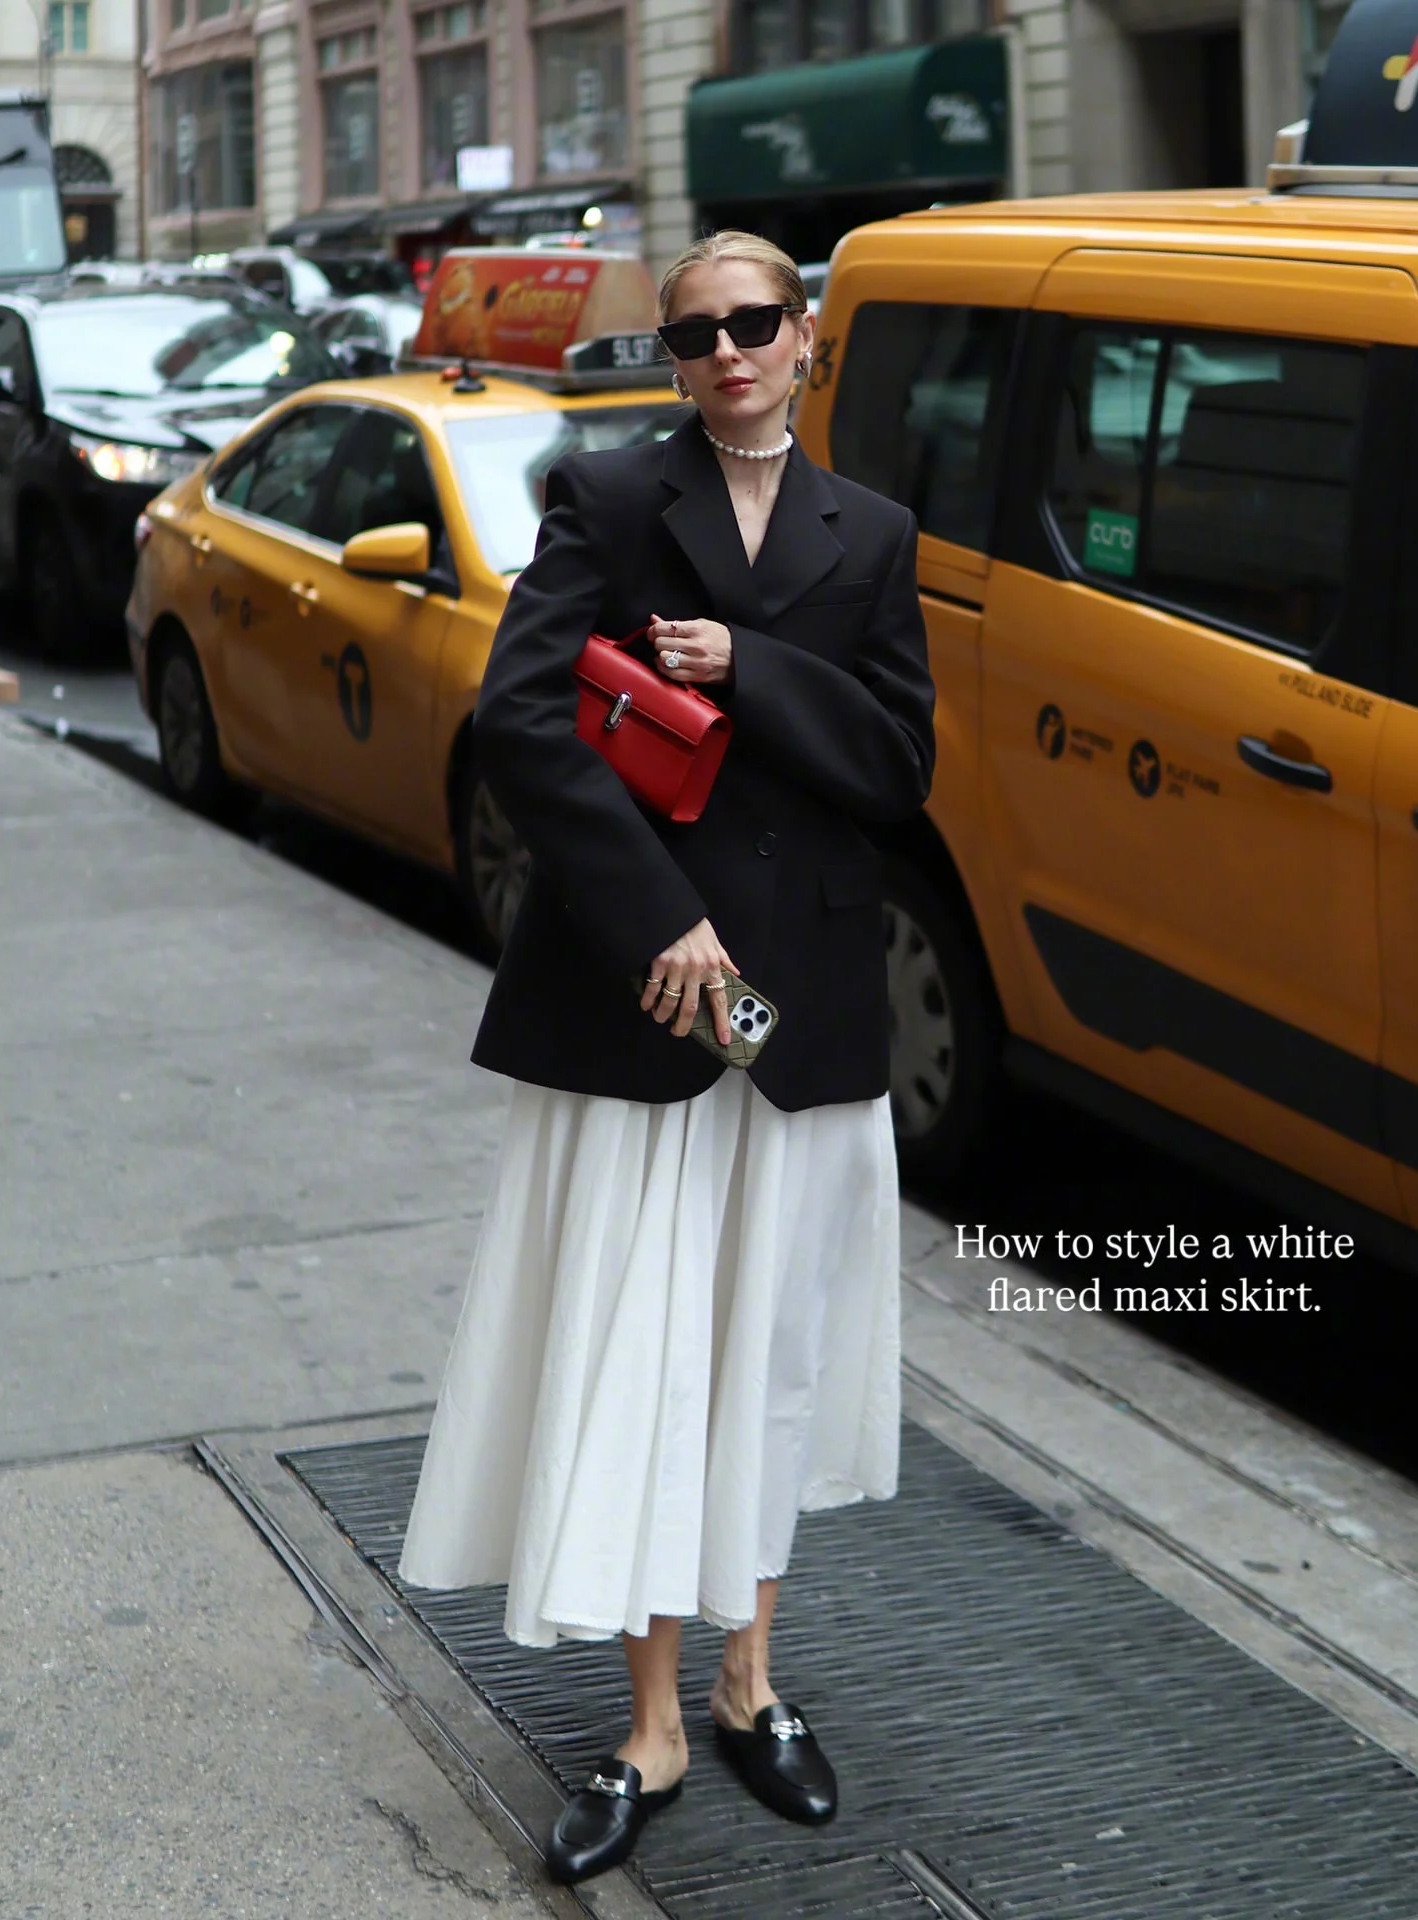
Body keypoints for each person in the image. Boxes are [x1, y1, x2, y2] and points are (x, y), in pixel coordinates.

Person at [398, 229, 936, 1885]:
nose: (727, 353)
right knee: (645, 1354)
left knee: (771, 1353)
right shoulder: (613, 496)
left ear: (806, 337)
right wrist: (658, 920)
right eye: (696, 334)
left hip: (805, 1010)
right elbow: (522, 719)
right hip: (646, 1001)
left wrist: (749, 669)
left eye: (755, 323)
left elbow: (898, 765)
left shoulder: (873, 532)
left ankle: (750, 1687)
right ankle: (649, 1728)